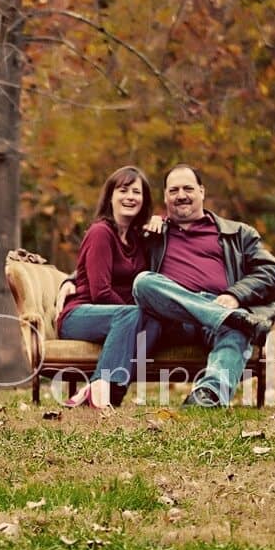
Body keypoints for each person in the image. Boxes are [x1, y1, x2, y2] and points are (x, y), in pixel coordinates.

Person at [131, 164, 275, 408]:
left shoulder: (239, 233)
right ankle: (228, 318)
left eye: (188, 188)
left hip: (221, 307)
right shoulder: (151, 233)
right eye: (174, 190)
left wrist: (234, 295)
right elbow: (110, 259)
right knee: (143, 282)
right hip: (172, 320)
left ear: (202, 191)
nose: (181, 195)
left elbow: (268, 270)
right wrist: (72, 281)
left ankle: (208, 396)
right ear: (165, 196)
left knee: (235, 330)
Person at [55, 166, 161, 408]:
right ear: (110, 196)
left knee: (154, 324)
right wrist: (135, 317)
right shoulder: (100, 233)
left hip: (118, 316)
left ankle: (107, 393)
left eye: (137, 192)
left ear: (144, 200)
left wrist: (160, 220)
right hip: (79, 315)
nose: (130, 197)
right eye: (123, 190)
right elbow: (100, 292)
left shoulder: (136, 238)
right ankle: (101, 390)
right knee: (134, 315)